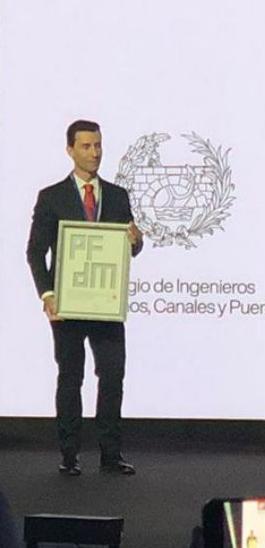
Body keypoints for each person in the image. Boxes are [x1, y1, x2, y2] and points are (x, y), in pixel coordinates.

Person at [25, 120, 143, 476]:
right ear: (70, 150)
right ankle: (69, 454)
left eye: (98, 146)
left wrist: (136, 241)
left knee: (112, 375)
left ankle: (110, 454)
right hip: (68, 306)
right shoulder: (52, 197)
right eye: (87, 146)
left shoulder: (118, 196)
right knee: (70, 376)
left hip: (106, 303)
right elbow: (35, 252)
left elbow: (128, 250)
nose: (94, 153)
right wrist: (47, 294)